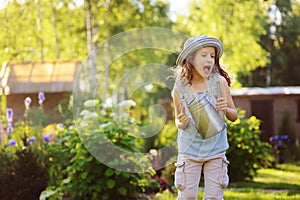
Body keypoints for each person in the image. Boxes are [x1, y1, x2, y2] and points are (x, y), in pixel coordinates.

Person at [171, 35, 238, 200]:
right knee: (186, 196)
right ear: (191, 59)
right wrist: (182, 122)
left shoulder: (219, 82)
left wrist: (226, 109)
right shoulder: (180, 87)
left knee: (214, 197)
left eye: (212, 56)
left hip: (215, 151)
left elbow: (234, 115)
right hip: (189, 150)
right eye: (204, 55)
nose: (209, 59)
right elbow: (178, 120)